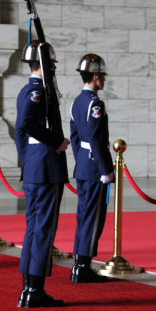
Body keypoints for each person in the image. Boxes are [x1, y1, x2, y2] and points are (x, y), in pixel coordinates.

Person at [15, 40, 70, 308]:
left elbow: (20, 132)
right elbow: (26, 124)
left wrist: (26, 159)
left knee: (34, 229)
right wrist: (55, 142)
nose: (56, 66)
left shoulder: (28, 90)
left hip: (35, 167)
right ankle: (34, 290)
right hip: (46, 168)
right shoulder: (38, 92)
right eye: (53, 61)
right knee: (43, 230)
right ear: (46, 64)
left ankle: (29, 288)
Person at [69, 54, 114, 283]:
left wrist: (83, 159)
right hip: (96, 167)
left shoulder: (76, 102)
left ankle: (79, 264)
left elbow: (75, 137)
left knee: (83, 216)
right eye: (102, 76)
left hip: (83, 166)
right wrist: (106, 169)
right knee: (94, 218)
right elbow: (96, 140)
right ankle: (83, 267)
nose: (104, 80)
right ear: (96, 77)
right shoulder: (95, 103)